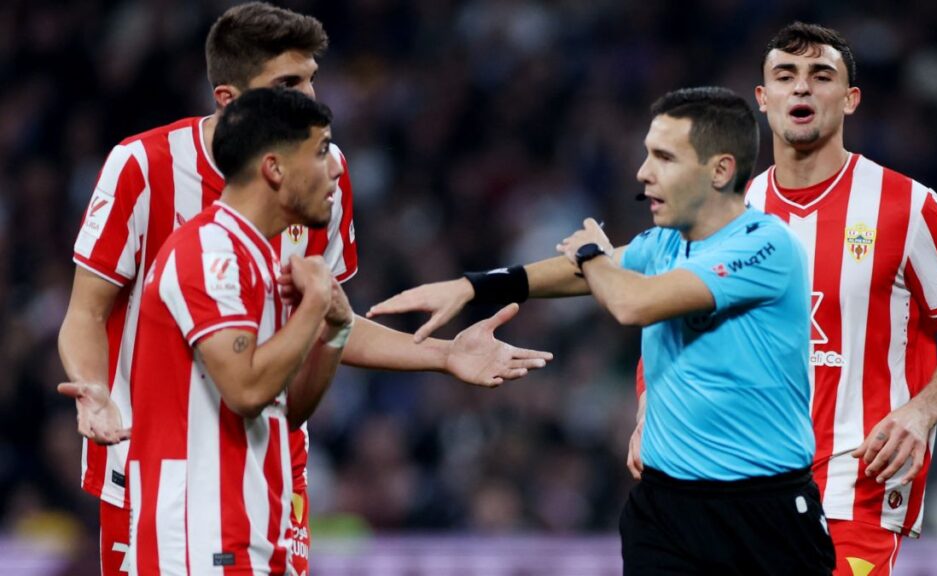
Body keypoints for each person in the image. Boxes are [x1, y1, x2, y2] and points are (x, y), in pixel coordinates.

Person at [56, 4, 551, 575]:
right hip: (159, 466)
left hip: (269, 465)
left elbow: (324, 322)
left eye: (313, 78)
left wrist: (442, 353)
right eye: (289, 84)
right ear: (229, 100)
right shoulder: (145, 168)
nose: (313, 98)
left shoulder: (323, 174)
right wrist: (94, 389)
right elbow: (86, 312)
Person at [369, 87, 835, 575]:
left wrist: (592, 253)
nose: (643, 172)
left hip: (763, 513)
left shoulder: (766, 247)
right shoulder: (663, 244)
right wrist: (473, 287)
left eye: (664, 157)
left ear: (720, 171)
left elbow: (632, 301)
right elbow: (587, 272)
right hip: (666, 508)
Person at [627, 22, 937, 576]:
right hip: (732, 487)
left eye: (820, 76)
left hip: (859, 489)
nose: (801, 88)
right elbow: (671, 331)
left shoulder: (906, 207)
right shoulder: (722, 211)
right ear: (763, 98)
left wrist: (921, 414)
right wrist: (647, 409)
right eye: (785, 75)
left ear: (849, 99)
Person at [128, 87, 348, 576]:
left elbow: (284, 409)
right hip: (199, 539)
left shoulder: (258, 260)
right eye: (320, 151)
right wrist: (314, 305)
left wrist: (335, 329)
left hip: (251, 533)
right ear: (274, 168)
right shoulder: (209, 252)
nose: (336, 168)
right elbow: (247, 389)